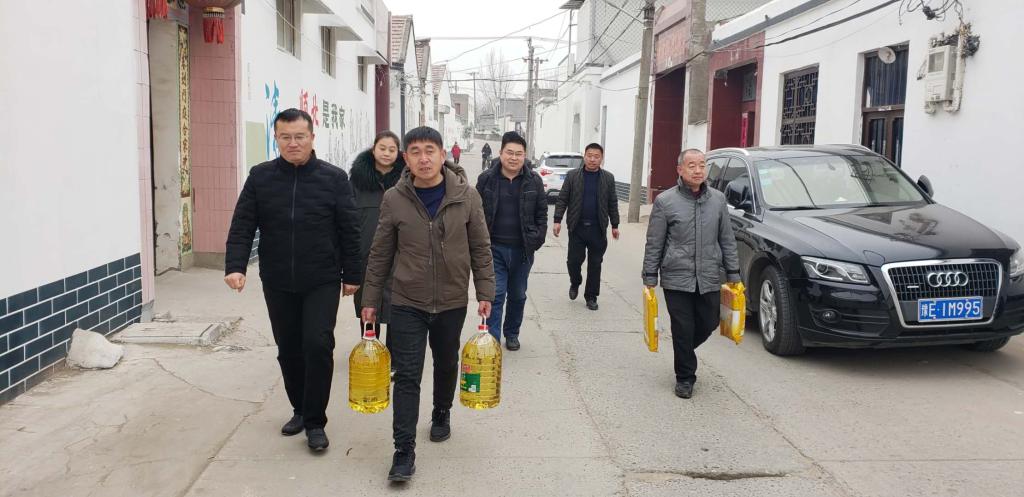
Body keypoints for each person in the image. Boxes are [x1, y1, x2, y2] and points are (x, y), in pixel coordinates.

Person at [360, 126, 495, 482]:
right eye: (416, 152)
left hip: (451, 299)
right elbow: (380, 253)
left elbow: (481, 247)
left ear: (442, 155)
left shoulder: (467, 197)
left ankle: (441, 411)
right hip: (407, 300)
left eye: (430, 150)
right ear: (406, 158)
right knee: (407, 375)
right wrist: (370, 299)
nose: (423, 158)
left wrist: (485, 292)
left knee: (446, 362)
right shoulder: (394, 199)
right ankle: (403, 451)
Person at [224, 108, 361, 452]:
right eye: (285, 137)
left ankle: (315, 422)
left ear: (312, 138)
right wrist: (236, 266)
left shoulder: (333, 178)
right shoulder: (261, 177)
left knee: (317, 344)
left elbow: (350, 229)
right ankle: (299, 408)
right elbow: (243, 224)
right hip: (278, 278)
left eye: (300, 136)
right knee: (289, 349)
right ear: (276, 138)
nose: (293, 143)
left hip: (322, 278)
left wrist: (353, 274)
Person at [641, 148, 741, 399]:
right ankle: (685, 377)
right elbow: (654, 242)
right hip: (676, 277)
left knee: (710, 321)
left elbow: (727, 239)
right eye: (692, 165)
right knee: (683, 327)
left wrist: (733, 273)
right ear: (680, 170)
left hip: (709, 275)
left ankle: (683, 349)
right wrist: (650, 276)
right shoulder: (665, 201)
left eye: (702, 165)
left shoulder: (718, 200)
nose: (698, 170)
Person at [475, 131, 547, 350]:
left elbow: (541, 214)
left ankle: (512, 333)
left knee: (517, 295)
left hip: (523, 250)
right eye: (510, 152)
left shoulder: (534, 180)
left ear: (524, 155)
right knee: (495, 295)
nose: (514, 158)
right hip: (493, 249)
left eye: (519, 154)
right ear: (501, 153)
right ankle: (492, 340)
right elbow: (475, 212)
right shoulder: (486, 179)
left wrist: (536, 239)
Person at [349, 131, 406, 350]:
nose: (386, 153)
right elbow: (347, 218)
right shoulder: (357, 181)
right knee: (367, 306)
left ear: (398, 153)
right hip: (366, 254)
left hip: (399, 255)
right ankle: (371, 350)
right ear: (373, 150)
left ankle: (394, 355)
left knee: (397, 307)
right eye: (382, 148)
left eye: (392, 149)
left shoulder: (407, 180)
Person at [552, 143, 620, 311]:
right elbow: (562, 199)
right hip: (577, 227)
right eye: (589, 155)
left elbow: (612, 202)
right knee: (573, 261)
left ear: (601, 159)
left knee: (595, 264)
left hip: (598, 228)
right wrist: (557, 220)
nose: (592, 159)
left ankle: (591, 296)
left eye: (596, 156)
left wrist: (615, 225)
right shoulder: (573, 176)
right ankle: (575, 282)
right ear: (584, 156)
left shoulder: (608, 178)